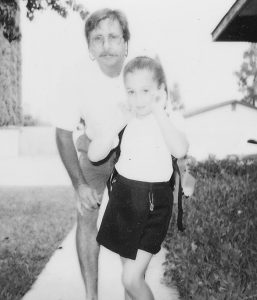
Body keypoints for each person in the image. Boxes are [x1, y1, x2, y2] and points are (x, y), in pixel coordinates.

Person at [88, 56, 189, 300]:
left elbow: (180, 150)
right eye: (131, 91)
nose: (138, 99)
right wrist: (117, 123)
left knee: (130, 279)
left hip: (154, 204)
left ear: (160, 92)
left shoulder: (168, 119)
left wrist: (159, 111)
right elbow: (94, 155)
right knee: (132, 277)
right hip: (123, 198)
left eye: (145, 91)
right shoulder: (125, 120)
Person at [54, 8, 130, 300]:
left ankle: (131, 291)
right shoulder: (75, 77)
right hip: (96, 150)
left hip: (131, 155)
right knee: (86, 213)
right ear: (89, 47)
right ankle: (91, 296)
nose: (106, 44)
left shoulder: (140, 71)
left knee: (130, 219)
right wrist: (79, 185)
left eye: (113, 37)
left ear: (126, 44)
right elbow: (62, 133)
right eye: (97, 38)